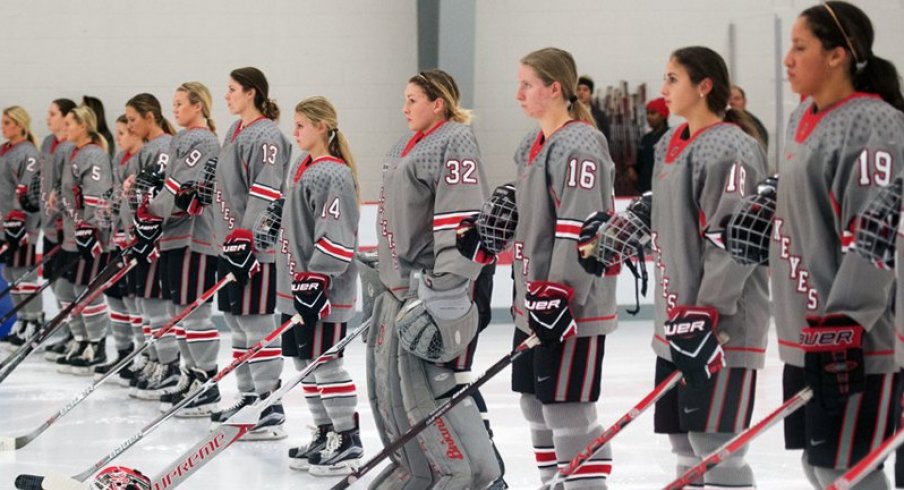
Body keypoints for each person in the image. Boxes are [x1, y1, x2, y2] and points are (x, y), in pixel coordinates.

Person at [772, 2, 904, 488]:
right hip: (807, 332)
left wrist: (844, 325)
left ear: (838, 55)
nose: (787, 59)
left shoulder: (872, 122)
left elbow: (877, 235)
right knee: (817, 465)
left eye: (800, 46)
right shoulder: (802, 116)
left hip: (857, 339)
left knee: (846, 471)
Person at [368, 68, 502, 489]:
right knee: (402, 393)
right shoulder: (405, 145)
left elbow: (459, 223)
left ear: (437, 103)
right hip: (409, 289)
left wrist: (447, 291)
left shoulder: (454, 140)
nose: (404, 107)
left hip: (444, 287)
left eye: (413, 99)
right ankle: (424, 467)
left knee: (445, 384)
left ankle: (485, 476)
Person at [651, 46, 769, 489]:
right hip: (676, 324)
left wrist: (707, 311)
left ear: (704, 87)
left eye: (673, 78)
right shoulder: (669, 142)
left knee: (715, 447)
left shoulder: (732, 146)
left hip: (719, 327)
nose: (663, 89)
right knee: (683, 443)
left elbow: (735, 240)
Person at [510, 47, 617, 489]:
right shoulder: (530, 145)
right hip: (531, 298)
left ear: (555, 88)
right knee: (535, 402)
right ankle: (554, 482)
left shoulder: (581, 143)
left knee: (566, 407)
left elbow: (582, 227)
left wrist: (560, 292)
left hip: (569, 302)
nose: (518, 94)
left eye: (527, 84)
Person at [277, 96, 363, 475]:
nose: (295, 132)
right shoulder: (302, 165)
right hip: (297, 283)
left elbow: (336, 231)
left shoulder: (334, 172)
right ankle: (325, 430)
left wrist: (318, 276)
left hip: (322, 288)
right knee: (304, 363)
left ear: (322, 127)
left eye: (301, 125)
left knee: (326, 363)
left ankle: (347, 438)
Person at [208, 66, 290, 439]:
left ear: (251, 93)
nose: (226, 96)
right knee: (237, 320)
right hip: (229, 242)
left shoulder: (268, 135)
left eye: (232, 89)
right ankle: (248, 396)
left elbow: (267, 190)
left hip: (255, 247)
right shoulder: (234, 130)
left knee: (256, 321)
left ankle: (269, 403)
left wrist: (248, 234)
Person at [143, 82, 222, 417]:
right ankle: (192, 376)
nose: (174, 109)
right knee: (181, 313)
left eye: (179, 103)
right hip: (176, 236)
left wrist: (149, 209)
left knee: (195, 313)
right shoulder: (182, 138)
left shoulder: (201, 139)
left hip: (195, 236)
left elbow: (181, 189)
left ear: (198, 105)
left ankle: (206, 382)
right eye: (172, 103)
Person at [123, 93, 177, 399]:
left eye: (132, 119)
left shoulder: (165, 146)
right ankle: (157, 359)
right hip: (144, 236)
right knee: (145, 302)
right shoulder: (146, 150)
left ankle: (168, 365)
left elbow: (164, 194)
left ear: (150, 116)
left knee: (156, 305)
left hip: (158, 237)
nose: (130, 127)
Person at [55, 105, 115, 375]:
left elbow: (97, 195)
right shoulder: (72, 152)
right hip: (71, 234)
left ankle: (96, 344)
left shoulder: (94, 154)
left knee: (87, 293)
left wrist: (89, 227)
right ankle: (79, 340)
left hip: (88, 235)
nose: (64, 128)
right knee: (65, 291)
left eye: (69, 123)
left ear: (84, 126)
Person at [92, 114, 141, 383]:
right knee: (116, 296)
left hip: (133, 244)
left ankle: (144, 358)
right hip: (115, 243)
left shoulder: (140, 160)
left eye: (124, 132)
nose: (119, 137)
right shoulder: (117, 161)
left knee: (135, 301)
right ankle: (124, 353)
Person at [0, 106, 43, 348]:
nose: (3, 126)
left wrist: (18, 217)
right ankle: (22, 320)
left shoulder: (28, 153)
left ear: (19, 124)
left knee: (22, 273)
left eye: (7, 122)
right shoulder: (4, 150)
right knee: (10, 273)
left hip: (23, 224)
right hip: (4, 223)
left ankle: (34, 321)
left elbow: (27, 188)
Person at [38, 98, 78, 359]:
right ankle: (65, 330)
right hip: (49, 224)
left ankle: (76, 333)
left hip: (65, 227)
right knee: (54, 281)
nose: (47, 118)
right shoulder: (47, 143)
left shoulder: (70, 147)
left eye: (52, 114)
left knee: (67, 283)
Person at [632, 98, 669, 194]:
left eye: (653, 113)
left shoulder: (670, 136)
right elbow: (640, 164)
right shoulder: (645, 138)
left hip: (663, 189)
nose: (648, 117)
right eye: (647, 113)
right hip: (645, 189)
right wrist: (632, 170)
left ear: (663, 115)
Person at [577, 75, 611, 140]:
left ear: (591, 93)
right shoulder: (569, 113)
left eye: (585, 90)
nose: (581, 92)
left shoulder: (600, 115)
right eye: (578, 89)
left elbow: (605, 138)